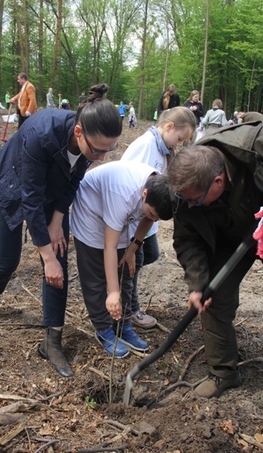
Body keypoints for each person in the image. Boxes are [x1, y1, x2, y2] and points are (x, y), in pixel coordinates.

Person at [0, 84, 122, 378]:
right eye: (98, 150)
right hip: (11, 187)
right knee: (8, 259)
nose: (103, 158)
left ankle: (52, 341)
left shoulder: (89, 145)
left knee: (60, 260)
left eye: (110, 149)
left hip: (51, 195)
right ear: (78, 131)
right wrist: (46, 256)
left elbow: (74, 180)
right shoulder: (41, 134)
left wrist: (57, 221)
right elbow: (30, 199)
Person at [168, 132, 263, 399]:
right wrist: (197, 285)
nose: (188, 204)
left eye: (194, 200)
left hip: (260, 218)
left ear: (218, 181)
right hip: (231, 235)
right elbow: (186, 240)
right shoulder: (185, 188)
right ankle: (224, 374)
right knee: (213, 297)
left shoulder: (253, 149)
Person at [70, 163, 172, 357]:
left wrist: (132, 248)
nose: (153, 218)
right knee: (96, 277)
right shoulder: (123, 194)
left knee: (126, 269)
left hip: (121, 215)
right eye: (151, 212)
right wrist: (113, 293)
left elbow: (149, 218)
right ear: (144, 194)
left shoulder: (159, 189)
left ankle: (123, 325)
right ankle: (103, 329)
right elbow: (109, 246)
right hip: (91, 210)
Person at [121, 106, 196, 329]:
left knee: (150, 253)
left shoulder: (161, 149)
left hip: (148, 218)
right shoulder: (145, 147)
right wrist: (131, 242)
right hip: (135, 217)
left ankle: (123, 289)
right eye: (180, 138)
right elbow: (131, 190)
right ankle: (130, 308)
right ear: (169, 126)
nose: (179, 144)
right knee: (136, 259)